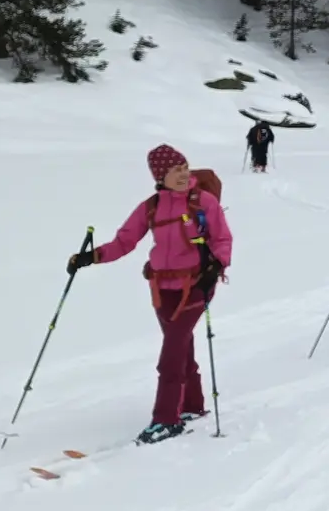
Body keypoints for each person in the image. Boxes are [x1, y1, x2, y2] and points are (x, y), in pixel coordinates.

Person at [68, 145, 233, 444]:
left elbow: (222, 237)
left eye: (184, 168)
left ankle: (167, 419)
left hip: (196, 285)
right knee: (181, 346)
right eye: (175, 171)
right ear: (160, 176)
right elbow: (124, 241)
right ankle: (192, 406)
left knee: (171, 354)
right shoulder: (151, 207)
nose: (183, 175)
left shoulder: (203, 201)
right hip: (161, 289)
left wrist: (216, 266)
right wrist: (90, 257)